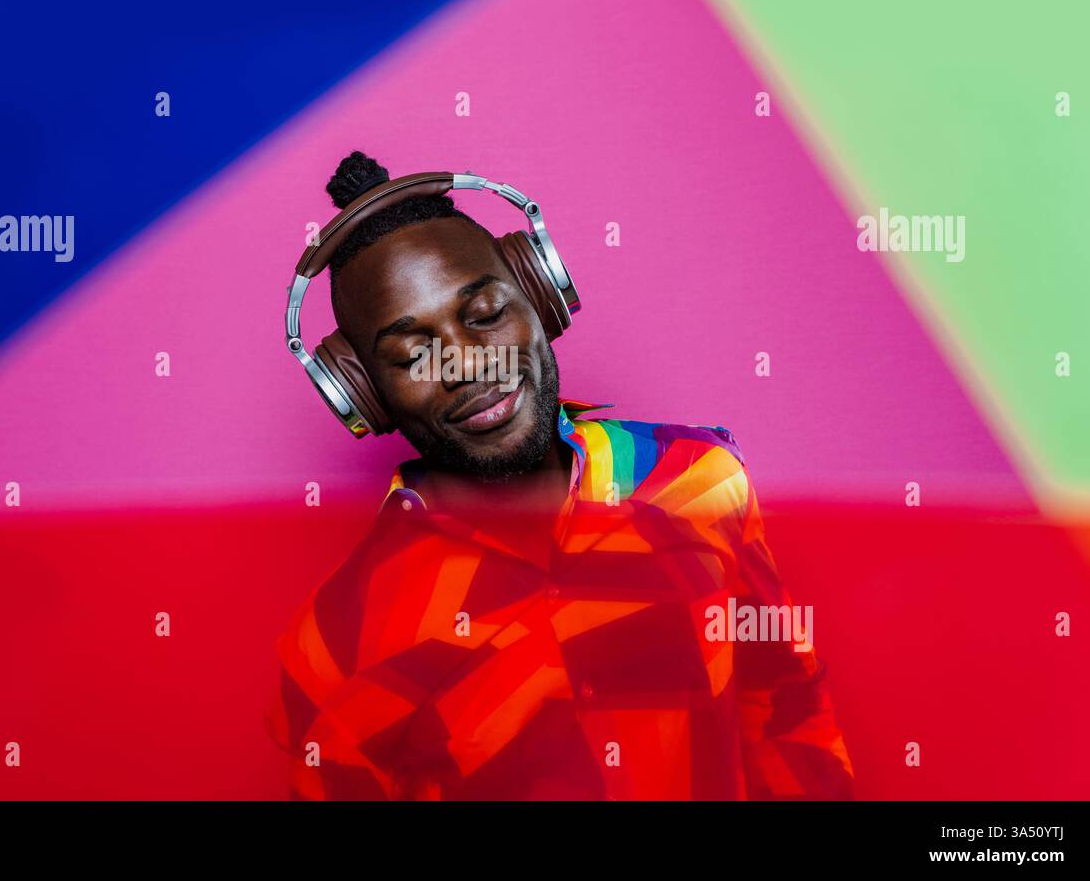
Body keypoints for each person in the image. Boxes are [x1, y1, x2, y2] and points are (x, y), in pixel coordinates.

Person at [264, 151, 854, 800]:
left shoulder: (699, 480)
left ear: (541, 295)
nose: (467, 364)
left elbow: (786, 709)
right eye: (413, 353)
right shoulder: (337, 640)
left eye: (486, 313)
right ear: (365, 393)